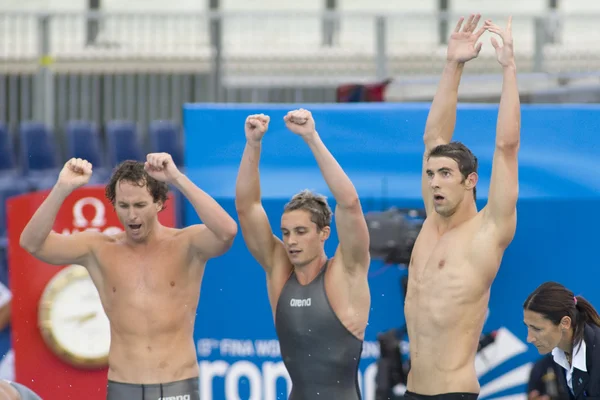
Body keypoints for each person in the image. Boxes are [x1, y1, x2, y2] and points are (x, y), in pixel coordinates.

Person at [19, 154, 238, 400]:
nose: (132, 215)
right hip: (125, 387)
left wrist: (177, 178)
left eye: (140, 205)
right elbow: (32, 244)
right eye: (124, 206)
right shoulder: (98, 248)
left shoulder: (186, 244)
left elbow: (227, 231)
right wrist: (62, 188)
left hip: (177, 384)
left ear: (158, 203)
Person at [403, 14, 521, 399]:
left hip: (454, 393)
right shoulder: (432, 222)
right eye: (431, 174)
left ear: (470, 181)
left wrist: (508, 70)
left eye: (445, 174)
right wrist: (452, 64)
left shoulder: (489, 230)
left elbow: (506, 148)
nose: (434, 181)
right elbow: (433, 136)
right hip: (412, 391)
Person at [235, 109, 371, 400]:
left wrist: (311, 137)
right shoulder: (279, 270)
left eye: (300, 232)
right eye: (285, 233)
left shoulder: (347, 271)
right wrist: (253, 144)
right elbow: (247, 208)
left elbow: (349, 203)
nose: (291, 241)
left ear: (324, 233)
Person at [523, 281, 600, 399]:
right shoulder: (560, 354)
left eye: (537, 329)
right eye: (527, 327)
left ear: (565, 323)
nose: (529, 338)